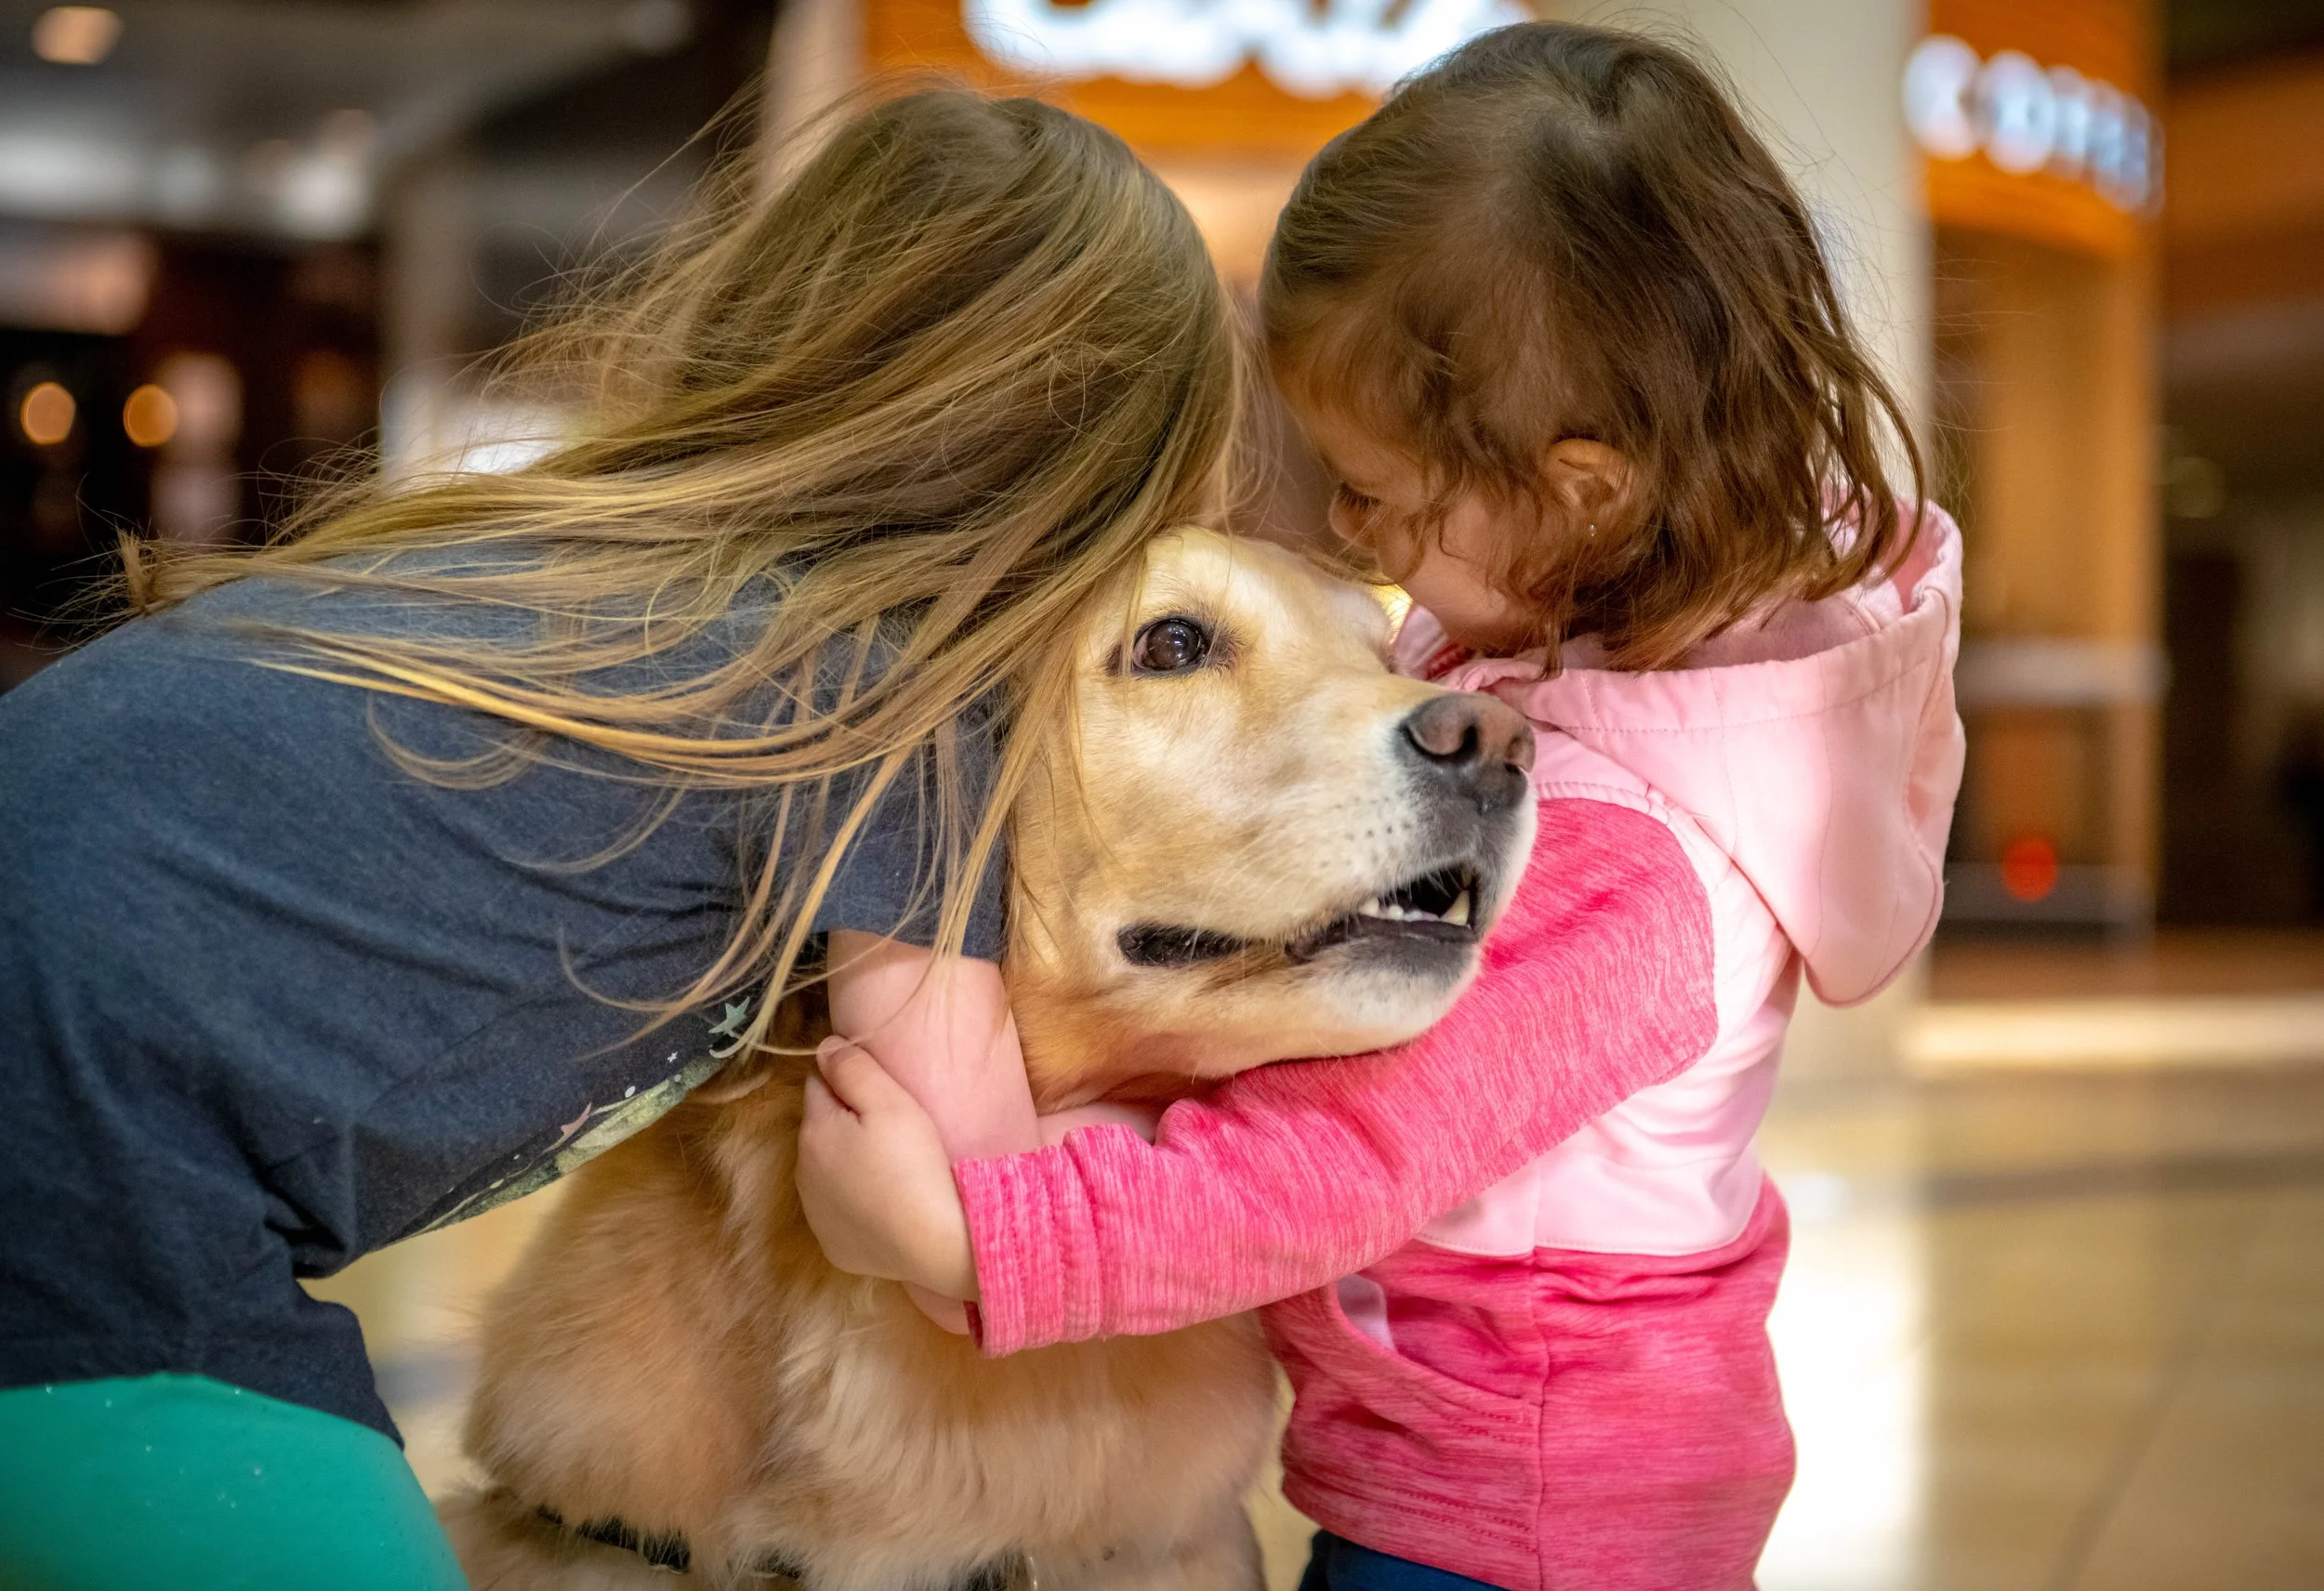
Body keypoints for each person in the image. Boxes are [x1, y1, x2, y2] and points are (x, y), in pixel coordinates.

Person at [0, 89, 1236, 1588]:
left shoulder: (572, 569)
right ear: (1110, 483)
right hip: (85, 1187)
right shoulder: (893, 702)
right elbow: (943, 1179)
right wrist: (1254, 1164)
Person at [795, 24, 1964, 1591]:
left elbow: (1327, 1166)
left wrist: (967, 1243)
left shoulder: (1626, 854)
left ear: (1584, 489)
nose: (1357, 531)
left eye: (1381, 497)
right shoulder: (1592, 634)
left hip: (1512, 1519)